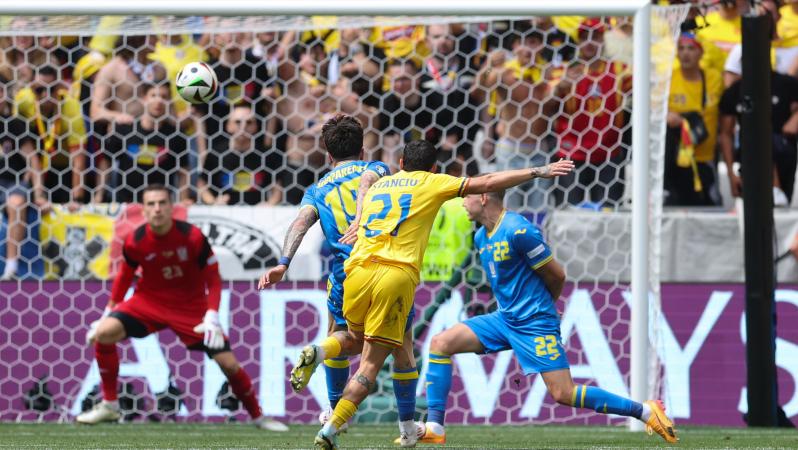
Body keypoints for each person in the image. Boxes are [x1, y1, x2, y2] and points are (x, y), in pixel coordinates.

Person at [288, 140, 574, 449]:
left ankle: (323, 351)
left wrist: (357, 221)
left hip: (356, 270)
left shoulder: (381, 183)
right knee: (370, 363)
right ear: (434, 168)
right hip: (394, 275)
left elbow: (362, 190)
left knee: (358, 341)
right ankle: (331, 428)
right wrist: (539, 171)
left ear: (400, 163)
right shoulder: (432, 182)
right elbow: (489, 182)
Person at [411, 190, 678, 445]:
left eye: (466, 197)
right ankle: (435, 428)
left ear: (483, 198)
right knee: (440, 343)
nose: (462, 203)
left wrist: (545, 307)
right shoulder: (481, 237)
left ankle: (644, 411)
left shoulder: (519, 230)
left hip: (534, 322)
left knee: (563, 393)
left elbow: (557, 275)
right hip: (505, 319)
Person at [76, 185, 287, 432]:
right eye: (151, 204)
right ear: (143, 210)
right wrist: (107, 312)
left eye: (162, 203)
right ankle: (110, 405)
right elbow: (124, 277)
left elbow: (213, 278)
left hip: (191, 308)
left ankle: (258, 417)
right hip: (148, 302)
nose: (157, 209)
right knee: (103, 333)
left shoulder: (192, 237)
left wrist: (212, 315)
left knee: (229, 364)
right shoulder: (135, 241)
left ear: (171, 207)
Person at [257, 114, 418, 439]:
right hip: (386, 266)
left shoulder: (318, 189)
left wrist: (283, 263)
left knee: (339, 336)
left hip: (346, 276)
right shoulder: (379, 169)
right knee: (402, 346)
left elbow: (300, 223)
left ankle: (335, 411)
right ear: (362, 149)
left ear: (328, 154)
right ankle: (407, 428)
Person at [664, 33, 724, 206]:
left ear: (701, 53)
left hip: (704, 157)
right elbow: (652, 110)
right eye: (681, 48)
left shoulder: (714, 79)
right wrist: (667, 115)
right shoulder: (668, 79)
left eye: (691, 48)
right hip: (675, 160)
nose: (685, 53)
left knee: (710, 208)